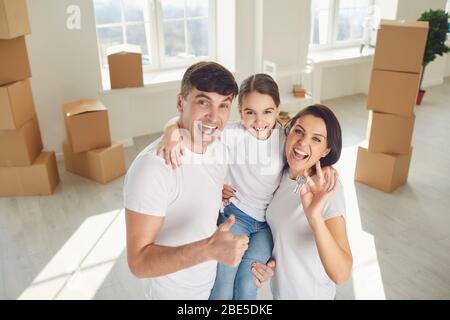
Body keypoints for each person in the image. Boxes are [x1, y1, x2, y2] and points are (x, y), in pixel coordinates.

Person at [157, 76, 339, 300]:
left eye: (267, 112)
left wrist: (327, 167)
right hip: (236, 217)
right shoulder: (233, 134)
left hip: (264, 226)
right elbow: (189, 127)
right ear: (240, 111)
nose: (259, 121)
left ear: (278, 110)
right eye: (250, 112)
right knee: (223, 285)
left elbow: (295, 177)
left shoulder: (285, 137)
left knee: (247, 284)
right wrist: (170, 131)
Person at [123, 61, 249, 300]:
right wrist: (209, 250)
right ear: (181, 102)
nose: (214, 117)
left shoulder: (218, 148)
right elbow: (138, 263)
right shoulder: (153, 168)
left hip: (208, 285)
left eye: (224, 105)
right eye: (203, 102)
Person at [252, 105, 353, 300]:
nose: (302, 142)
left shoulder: (328, 189)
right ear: (288, 133)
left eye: (316, 139)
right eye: (299, 131)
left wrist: (314, 217)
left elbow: (341, 274)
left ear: (326, 151)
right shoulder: (285, 176)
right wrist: (270, 264)